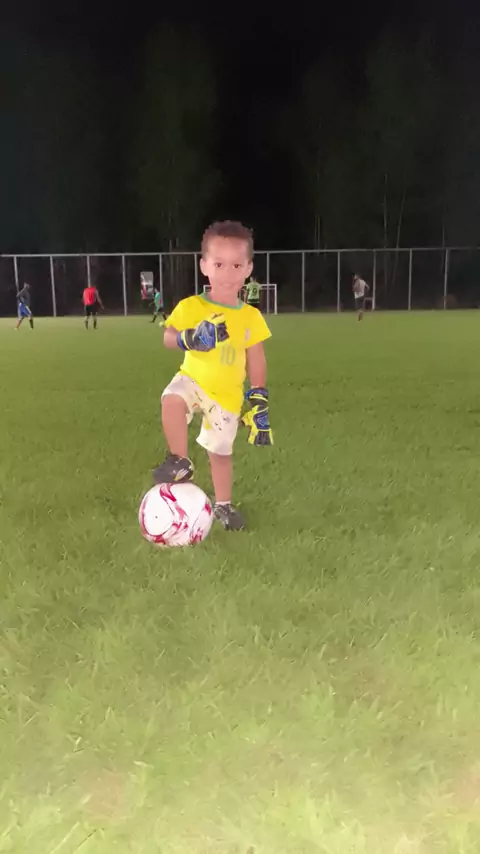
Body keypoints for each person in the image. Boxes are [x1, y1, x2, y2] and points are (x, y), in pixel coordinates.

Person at [152, 220, 273, 531]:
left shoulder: (250, 316)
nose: (227, 273)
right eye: (219, 264)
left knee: (220, 452)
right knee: (171, 400)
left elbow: (256, 357)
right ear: (204, 266)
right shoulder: (192, 306)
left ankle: (223, 506)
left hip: (227, 396)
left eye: (236, 265)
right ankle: (179, 462)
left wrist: (259, 396)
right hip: (192, 379)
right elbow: (168, 337)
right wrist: (189, 338)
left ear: (248, 269)